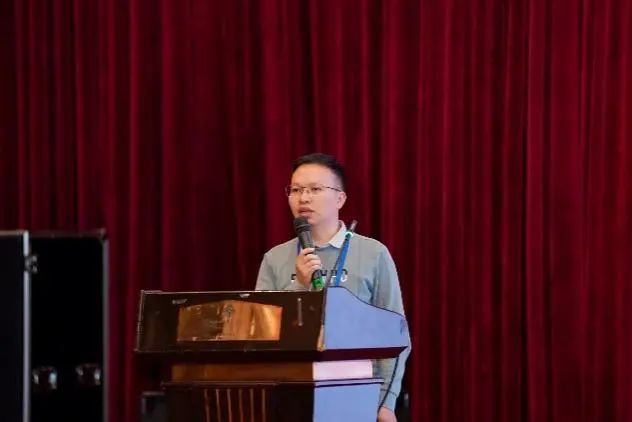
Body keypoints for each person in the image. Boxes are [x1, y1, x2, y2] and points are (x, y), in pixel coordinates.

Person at [255, 153, 410, 422]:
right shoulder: (275, 258)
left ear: (340, 199)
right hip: (291, 393)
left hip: (359, 391)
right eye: (296, 190)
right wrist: (300, 287)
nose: (303, 198)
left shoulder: (373, 253)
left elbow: (395, 334)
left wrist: (386, 401)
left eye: (315, 189)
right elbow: (262, 333)